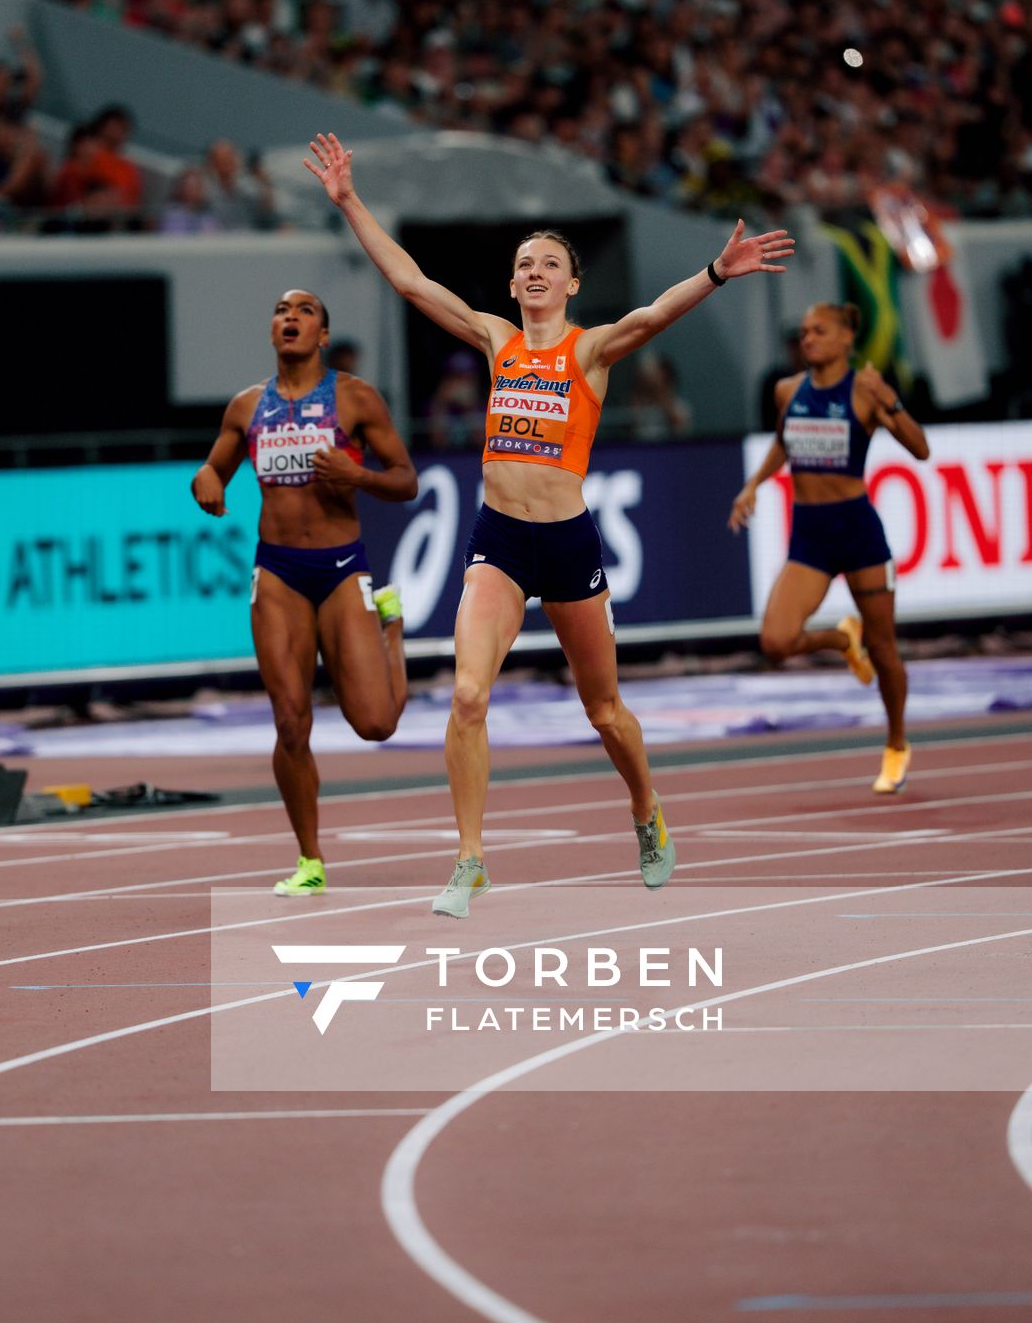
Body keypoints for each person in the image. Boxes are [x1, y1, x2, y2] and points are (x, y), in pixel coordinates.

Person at [305, 129, 793, 916]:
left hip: (566, 547)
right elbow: (411, 281)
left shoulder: (590, 351)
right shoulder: (496, 341)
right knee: (468, 697)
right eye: (525, 264)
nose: (535, 272)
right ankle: (470, 859)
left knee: (604, 712)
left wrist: (714, 272)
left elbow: (654, 315)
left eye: (549, 264)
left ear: (571, 283)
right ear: (512, 283)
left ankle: (646, 809)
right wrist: (350, 200)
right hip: (498, 541)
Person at [192, 288, 418, 892]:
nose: (290, 316)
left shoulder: (355, 397)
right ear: (273, 332)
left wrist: (357, 474)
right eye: (281, 311)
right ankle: (310, 861)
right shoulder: (247, 406)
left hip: (342, 568)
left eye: (305, 310)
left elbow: (406, 480)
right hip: (279, 572)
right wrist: (206, 479)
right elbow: (214, 468)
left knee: (376, 724)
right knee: (291, 723)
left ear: (322, 335)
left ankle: (392, 625)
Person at [728, 301, 930, 794]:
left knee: (884, 649)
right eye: (804, 331)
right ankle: (842, 641)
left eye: (819, 331)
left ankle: (896, 743)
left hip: (858, 532)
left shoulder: (865, 391)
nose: (808, 339)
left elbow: (921, 449)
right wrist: (754, 483)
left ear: (845, 338)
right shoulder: (787, 390)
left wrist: (892, 403)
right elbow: (784, 442)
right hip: (811, 536)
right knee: (775, 643)